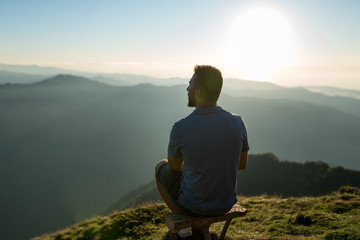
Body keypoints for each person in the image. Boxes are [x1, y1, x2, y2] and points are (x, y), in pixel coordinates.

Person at [155, 65, 249, 238]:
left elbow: (175, 167)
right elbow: (241, 165)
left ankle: (184, 232)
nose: (186, 88)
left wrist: (195, 166)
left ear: (198, 92)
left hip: (195, 206)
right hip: (226, 203)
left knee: (160, 167)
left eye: (189, 84)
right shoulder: (238, 122)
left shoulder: (180, 128)